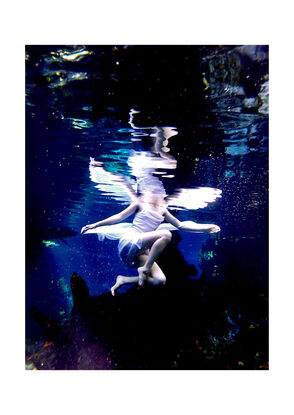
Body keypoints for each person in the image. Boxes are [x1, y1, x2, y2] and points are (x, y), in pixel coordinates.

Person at [81, 192, 220, 296]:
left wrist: (205, 228)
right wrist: (95, 225)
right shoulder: (140, 202)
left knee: (160, 281)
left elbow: (181, 225)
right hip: (130, 241)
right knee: (166, 234)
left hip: (139, 250)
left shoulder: (163, 210)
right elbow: (119, 216)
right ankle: (145, 269)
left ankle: (124, 280)